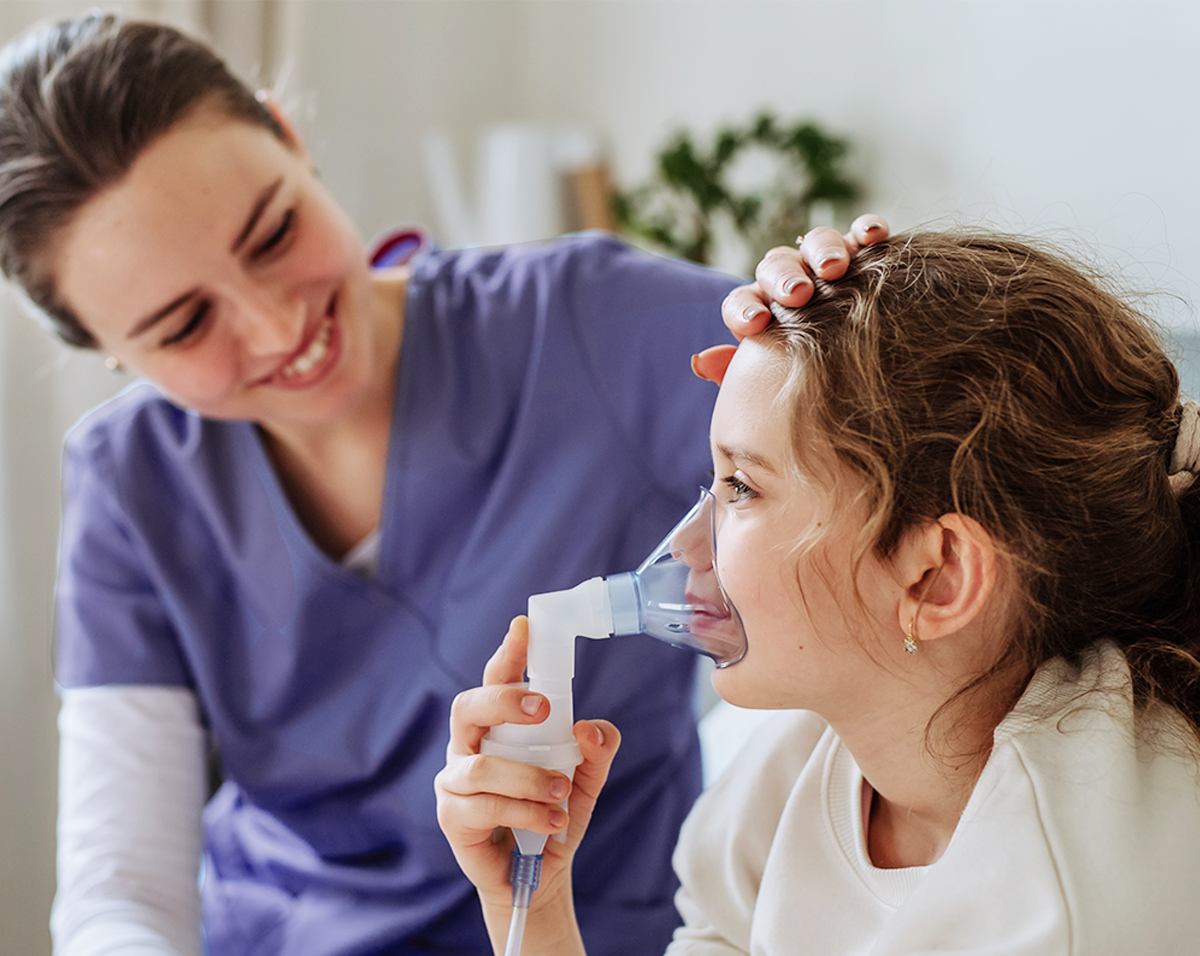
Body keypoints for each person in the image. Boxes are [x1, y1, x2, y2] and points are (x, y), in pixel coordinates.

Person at [0, 11, 885, 956]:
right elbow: (122, 891)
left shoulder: (594, 329)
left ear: (288, 137)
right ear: (108, 351)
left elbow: (917, 447)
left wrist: (864, 320)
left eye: (272, 234)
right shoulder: (130, 484)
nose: (274, 328)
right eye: (182, 326)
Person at [436, 229, 1200, 955]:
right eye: (714, 481)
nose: (687, 544)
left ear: (936, 578)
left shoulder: (1061, 905)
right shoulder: (798, 772)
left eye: (742, 487)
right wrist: (528, 907)